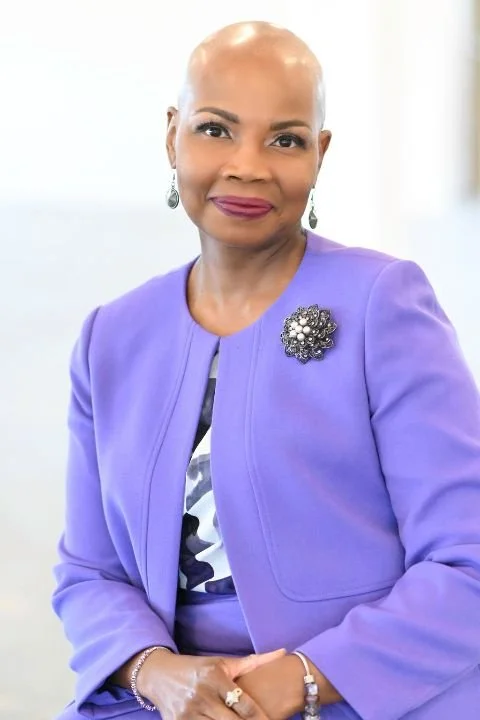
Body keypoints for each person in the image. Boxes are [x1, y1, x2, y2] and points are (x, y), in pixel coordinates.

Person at [52, 20, 480, 720]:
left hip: (363, 695)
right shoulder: (113, 337)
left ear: (320, 153)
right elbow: (89, 572)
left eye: (285, 139)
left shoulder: (383, 304)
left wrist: (304, 678)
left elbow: (467, 560)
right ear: (172, 136)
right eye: (215, 129)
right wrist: (157, 672)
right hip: (169, 702)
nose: (248, 165)